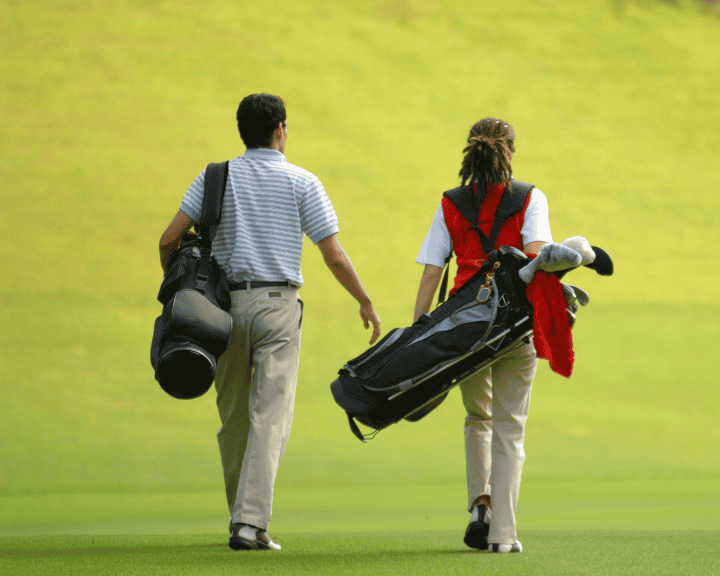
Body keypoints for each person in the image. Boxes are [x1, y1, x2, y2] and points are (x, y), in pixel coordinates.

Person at [158, 93, 382, 550]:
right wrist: (364, 300)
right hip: (278, 306)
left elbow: (169, 239)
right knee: (270, 415)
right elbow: (334, 255)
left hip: (219, 310)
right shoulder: (303, 181)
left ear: (243, 131)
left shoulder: (214, 177)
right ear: (280, 129)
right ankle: (250, 523)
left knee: (234, 417)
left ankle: (241, 519)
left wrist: (184, 289)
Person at [413, 118, 552, 554]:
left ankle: (480, 505)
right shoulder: (530, 198)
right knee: (511, 429)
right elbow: (536, 260)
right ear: (510, 150)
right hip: (514, 325)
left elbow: (433, 272)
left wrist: (418, 331)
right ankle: (503, 535)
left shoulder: (451, 202)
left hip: (465, 329)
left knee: (478, 418)